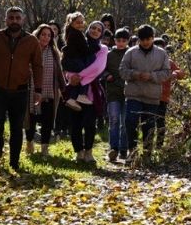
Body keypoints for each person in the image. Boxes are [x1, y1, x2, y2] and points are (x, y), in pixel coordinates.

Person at [0, 7, 42, 171]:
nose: (14, 21)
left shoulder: (31, 41)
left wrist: (38, 90)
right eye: (11, 18)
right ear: (6, 20)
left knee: (16, 127)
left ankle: (14, 161)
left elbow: (38, 66)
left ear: (22, 20)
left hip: (20, 91)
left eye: (17, 18)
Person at [119, 24, 171, 162]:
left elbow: (166, 73)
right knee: (130, 122)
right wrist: (135, 74)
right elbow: (122, 71)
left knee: (149, 127)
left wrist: (152, 76)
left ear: (153, 38)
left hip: (152, 96)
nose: (146, 42)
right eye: (143, 39)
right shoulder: (130, 52)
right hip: (133, 95)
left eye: (148, 39)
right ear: (139, 39)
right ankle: (132, 152)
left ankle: (147, 155)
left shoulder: (162, 53)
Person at [68, 20, 109, 163]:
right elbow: (69, 61)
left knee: (90, 124)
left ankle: (89, 151)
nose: (95, 31)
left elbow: (97, 68)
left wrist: (80, 77)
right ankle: (78, 152)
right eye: (93, 28)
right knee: (75, 124)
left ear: (101, 34)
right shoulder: (78, 43)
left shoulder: (102, 49)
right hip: (74, 88)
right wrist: (70, 76)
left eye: (99, 29)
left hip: (91, 92)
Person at [24, 24, 65, 157]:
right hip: (31, 91)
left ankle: (44, 148)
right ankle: (29, 142)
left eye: (49, 35)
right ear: (38, 35)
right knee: (31, 119)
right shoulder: (29, 50)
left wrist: (64, 90)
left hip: (49, 93)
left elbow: (59, 72)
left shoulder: (54, 52)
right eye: (43, 34)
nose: (46, 37)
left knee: (48, 121)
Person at [61, 12, 100, 110]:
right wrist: (96, 47)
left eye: (82, 22)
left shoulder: (71, 33)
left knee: (78, 76)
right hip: (73, 61)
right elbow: (85, 50)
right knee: (84, 72)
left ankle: (72, 98)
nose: (81, 24)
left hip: (69, 60)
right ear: (71, 23)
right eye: (78, 22)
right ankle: (81, 94)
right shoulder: (77, 34)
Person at [153, 37, 186, 150]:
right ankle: (147, 146)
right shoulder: (149, 61)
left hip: (163, 97)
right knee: (148, 122)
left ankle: (158, 146)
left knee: (160, 122)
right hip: (149, 96)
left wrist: (176, 73)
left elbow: (181, 74)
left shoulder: (169, 62)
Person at [103, 28, 130, 162]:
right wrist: (107, 75)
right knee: (114, 120)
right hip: (112, 92)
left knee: (125, 122)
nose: (121, 43)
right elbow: (102, 69)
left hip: (128, 92)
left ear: (127, 41)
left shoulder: (131, 53)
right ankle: (113, 148)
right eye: (118, 40)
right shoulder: (109, 54)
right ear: (115, 40)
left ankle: (124, 149)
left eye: (124, 41)